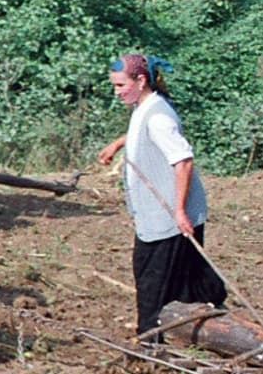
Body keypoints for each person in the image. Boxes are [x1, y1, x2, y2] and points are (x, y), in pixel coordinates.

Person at [96, 53, 226, 340]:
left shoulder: (158, 117)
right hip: (163, 212)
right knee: (188, 271)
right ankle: (208, 320)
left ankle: (150, 340)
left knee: (151, 278)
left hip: (168, 214)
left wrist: (179, 212)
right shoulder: (146, 106)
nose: (116, 93)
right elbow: (142, 130)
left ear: (141, 81)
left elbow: (183, 161)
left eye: (120, 86)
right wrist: (119, 143)